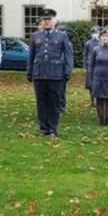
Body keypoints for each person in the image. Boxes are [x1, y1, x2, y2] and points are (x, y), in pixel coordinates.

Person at [27, 8, 74, 137]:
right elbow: (32, 55)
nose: (47, 22)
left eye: (49, 19)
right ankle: (44, 128)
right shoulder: (36, 36)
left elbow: (69, 54)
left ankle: (53, 128)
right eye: (44, 20)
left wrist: (67, 71)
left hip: (55, 75)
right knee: (41, 103)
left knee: (54, 103)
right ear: (42, 22)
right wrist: (30, 71)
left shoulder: (62, 35)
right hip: (40, 73)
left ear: (54, 21)